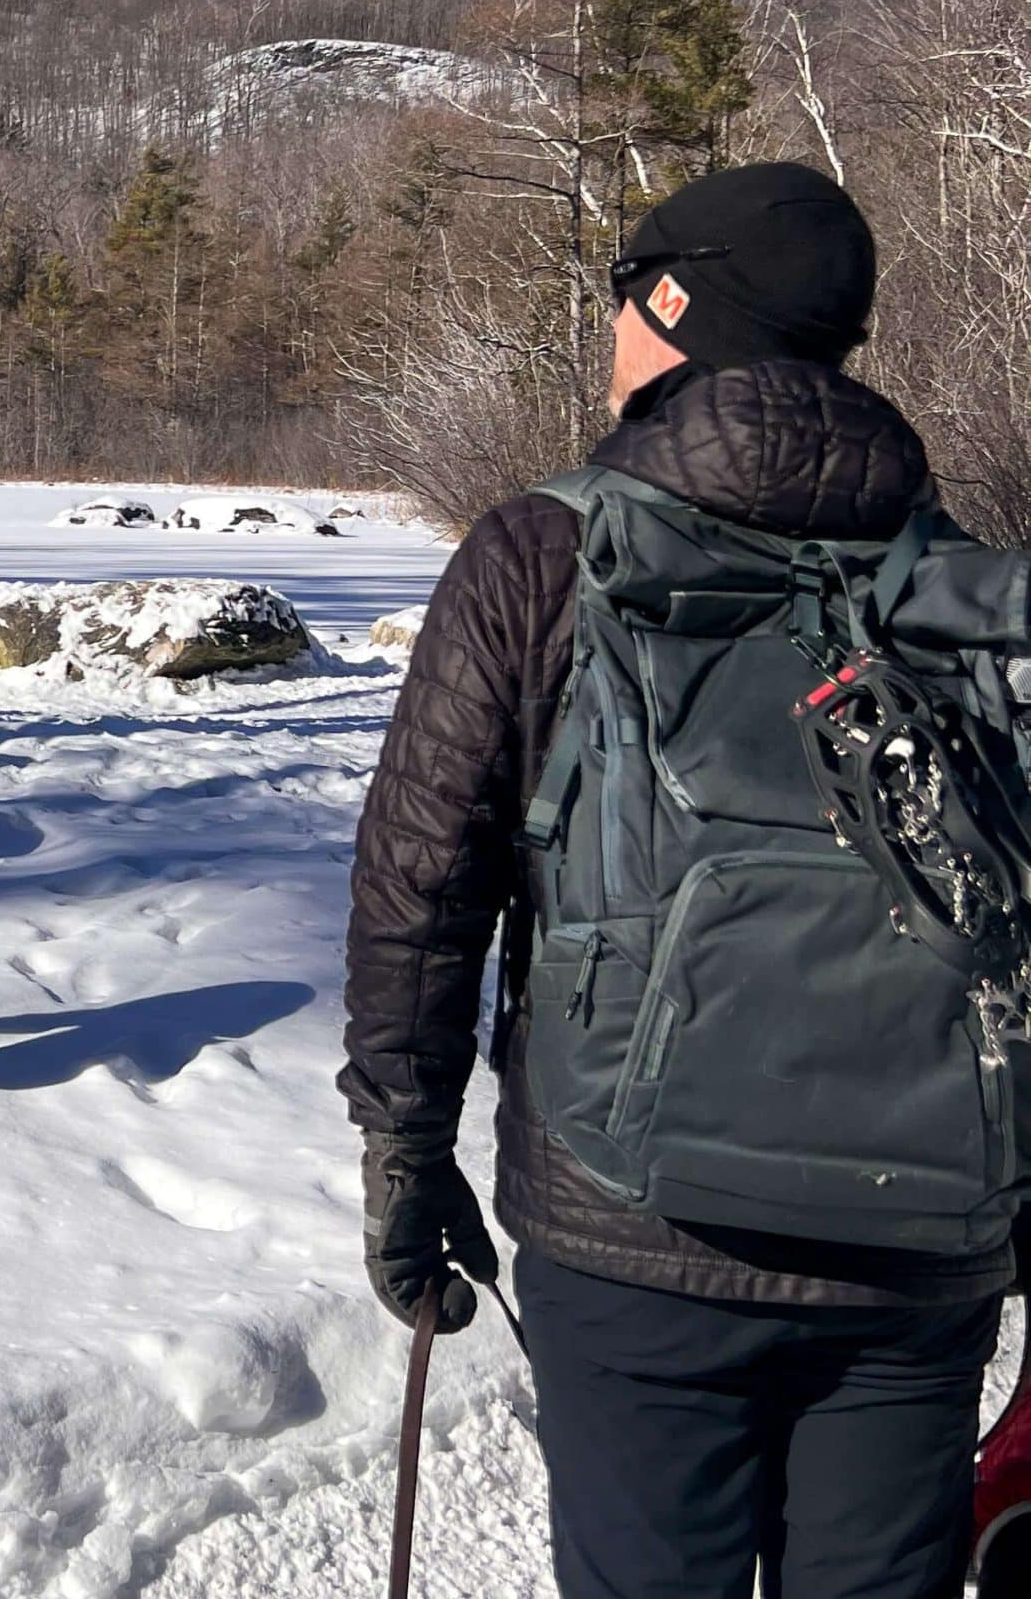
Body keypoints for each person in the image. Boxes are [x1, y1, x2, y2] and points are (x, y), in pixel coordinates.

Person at [341, 162, 1012, 1599]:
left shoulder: (545, 551)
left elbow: (419, 885)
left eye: (620, 295)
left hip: (631, 1225)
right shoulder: (957, 580)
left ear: (673, 302)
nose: (609, 333)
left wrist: (407, 1150)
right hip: (919, 1239)